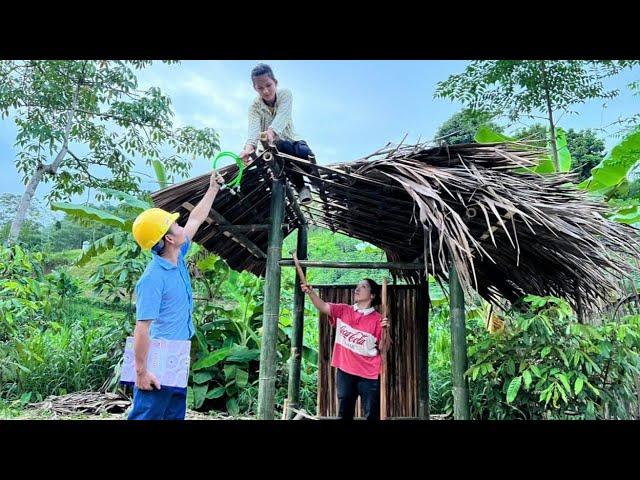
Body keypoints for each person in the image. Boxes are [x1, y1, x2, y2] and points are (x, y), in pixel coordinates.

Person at [127, 170, 222, 420]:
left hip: (178, 353)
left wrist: (212, 189)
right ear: (169, 238)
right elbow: (142, 328)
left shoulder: (177, 256)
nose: (182, 226)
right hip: (158, 356)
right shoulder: (152, 278)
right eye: (176, 225)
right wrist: (141, 372)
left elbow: (196, 220)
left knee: (172, 415)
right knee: (147, 414)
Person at [301, 278, 390, 420]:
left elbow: (383, 348)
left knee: (372, 414)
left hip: (369, 374)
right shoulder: (343, 310)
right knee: (344, 413)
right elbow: (323, 306)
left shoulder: (379, 320)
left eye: (363, 287)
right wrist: (310, 293)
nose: (357, 289)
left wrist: (385, 330)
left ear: (372, 295)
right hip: (345, 371)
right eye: (357, 286)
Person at [239, 63, 316, 205]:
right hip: (275, 149)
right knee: (282, 150)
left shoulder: (285, 94)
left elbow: (282, 117)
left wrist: (271, 132)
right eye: (260, 88)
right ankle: (301, 188)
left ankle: (316, 180)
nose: (266, 91)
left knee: (304, 152)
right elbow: (253, 132)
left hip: (293, 141)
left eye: (268, 85)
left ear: (275, 82)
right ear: (255, 88)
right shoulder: (254, 108)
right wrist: (248, 150)